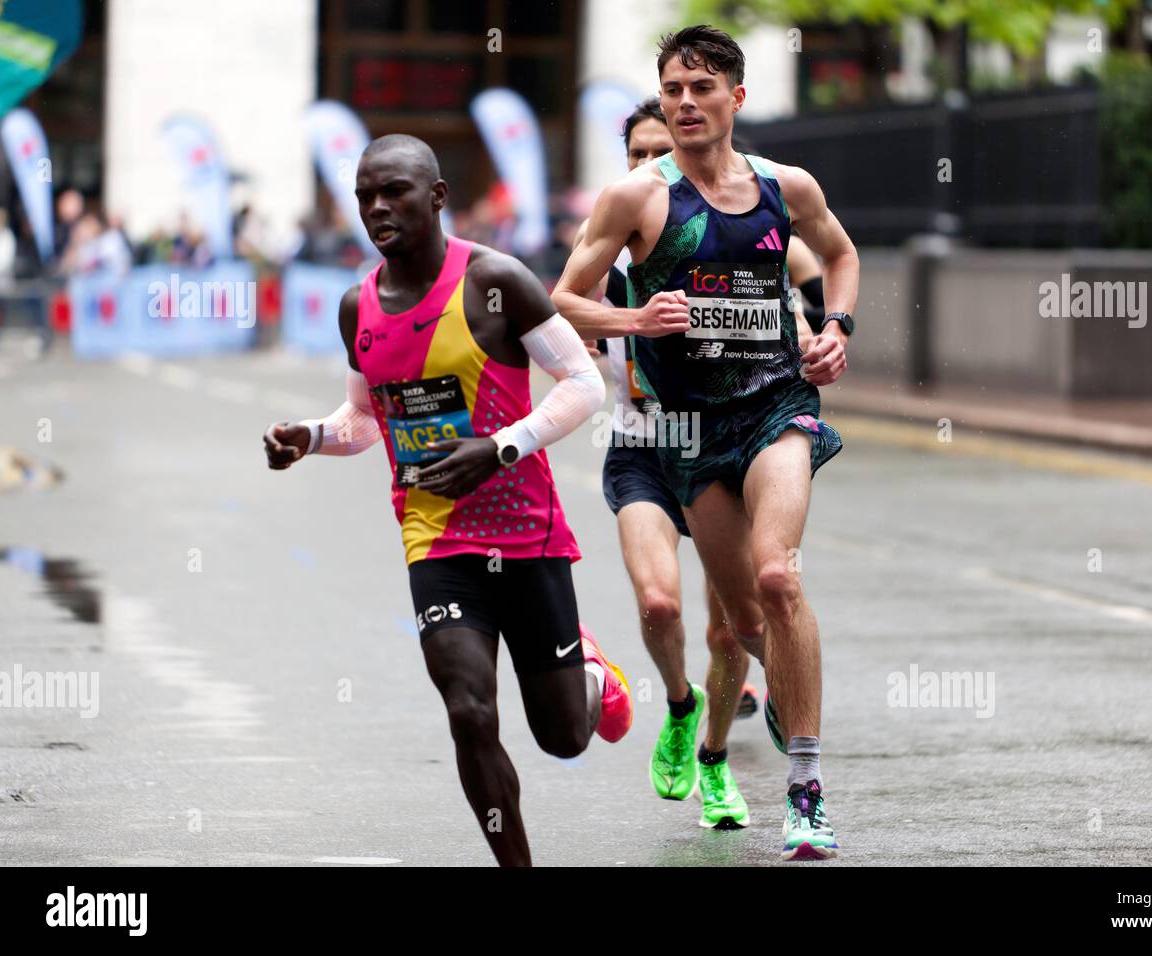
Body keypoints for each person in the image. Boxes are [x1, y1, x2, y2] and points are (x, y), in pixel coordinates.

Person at [263, 134, 632, 867]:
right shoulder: (355, 308)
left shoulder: (496, 281)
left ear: (436, 196)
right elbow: (367, 420)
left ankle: (591, 673)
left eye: (394, 190)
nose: (376, 206)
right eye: (366, 193)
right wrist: (308, 435)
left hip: (528, 537)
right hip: (435, 540)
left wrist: (498, 448)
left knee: (563, 736)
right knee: (468, 710)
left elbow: (586, 386)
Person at [553, 25, 859, 861]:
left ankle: (804, 784)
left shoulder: (782, 187)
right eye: (674, 88)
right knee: (745, 624)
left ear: (736, 98)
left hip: (774, 407)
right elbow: (561, 299)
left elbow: (839, 253)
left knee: (776, 577)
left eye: (702, 88)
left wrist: (836, 328)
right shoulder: (635, 201)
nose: (687, 102)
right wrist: (633, 319)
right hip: (680, 435)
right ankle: (709, 715)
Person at [571, 97, 753, 830]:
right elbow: (556, 309)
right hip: (644, 441)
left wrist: (818, 326)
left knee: (728, 627)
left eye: (661, 154)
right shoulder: (609, 239)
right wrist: (605, 334)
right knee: (659, 605)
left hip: (721, 446)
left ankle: (713, 757)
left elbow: (790, 282)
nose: (650, 168)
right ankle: (679, 703)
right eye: (636, 156)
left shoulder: (727, 229)